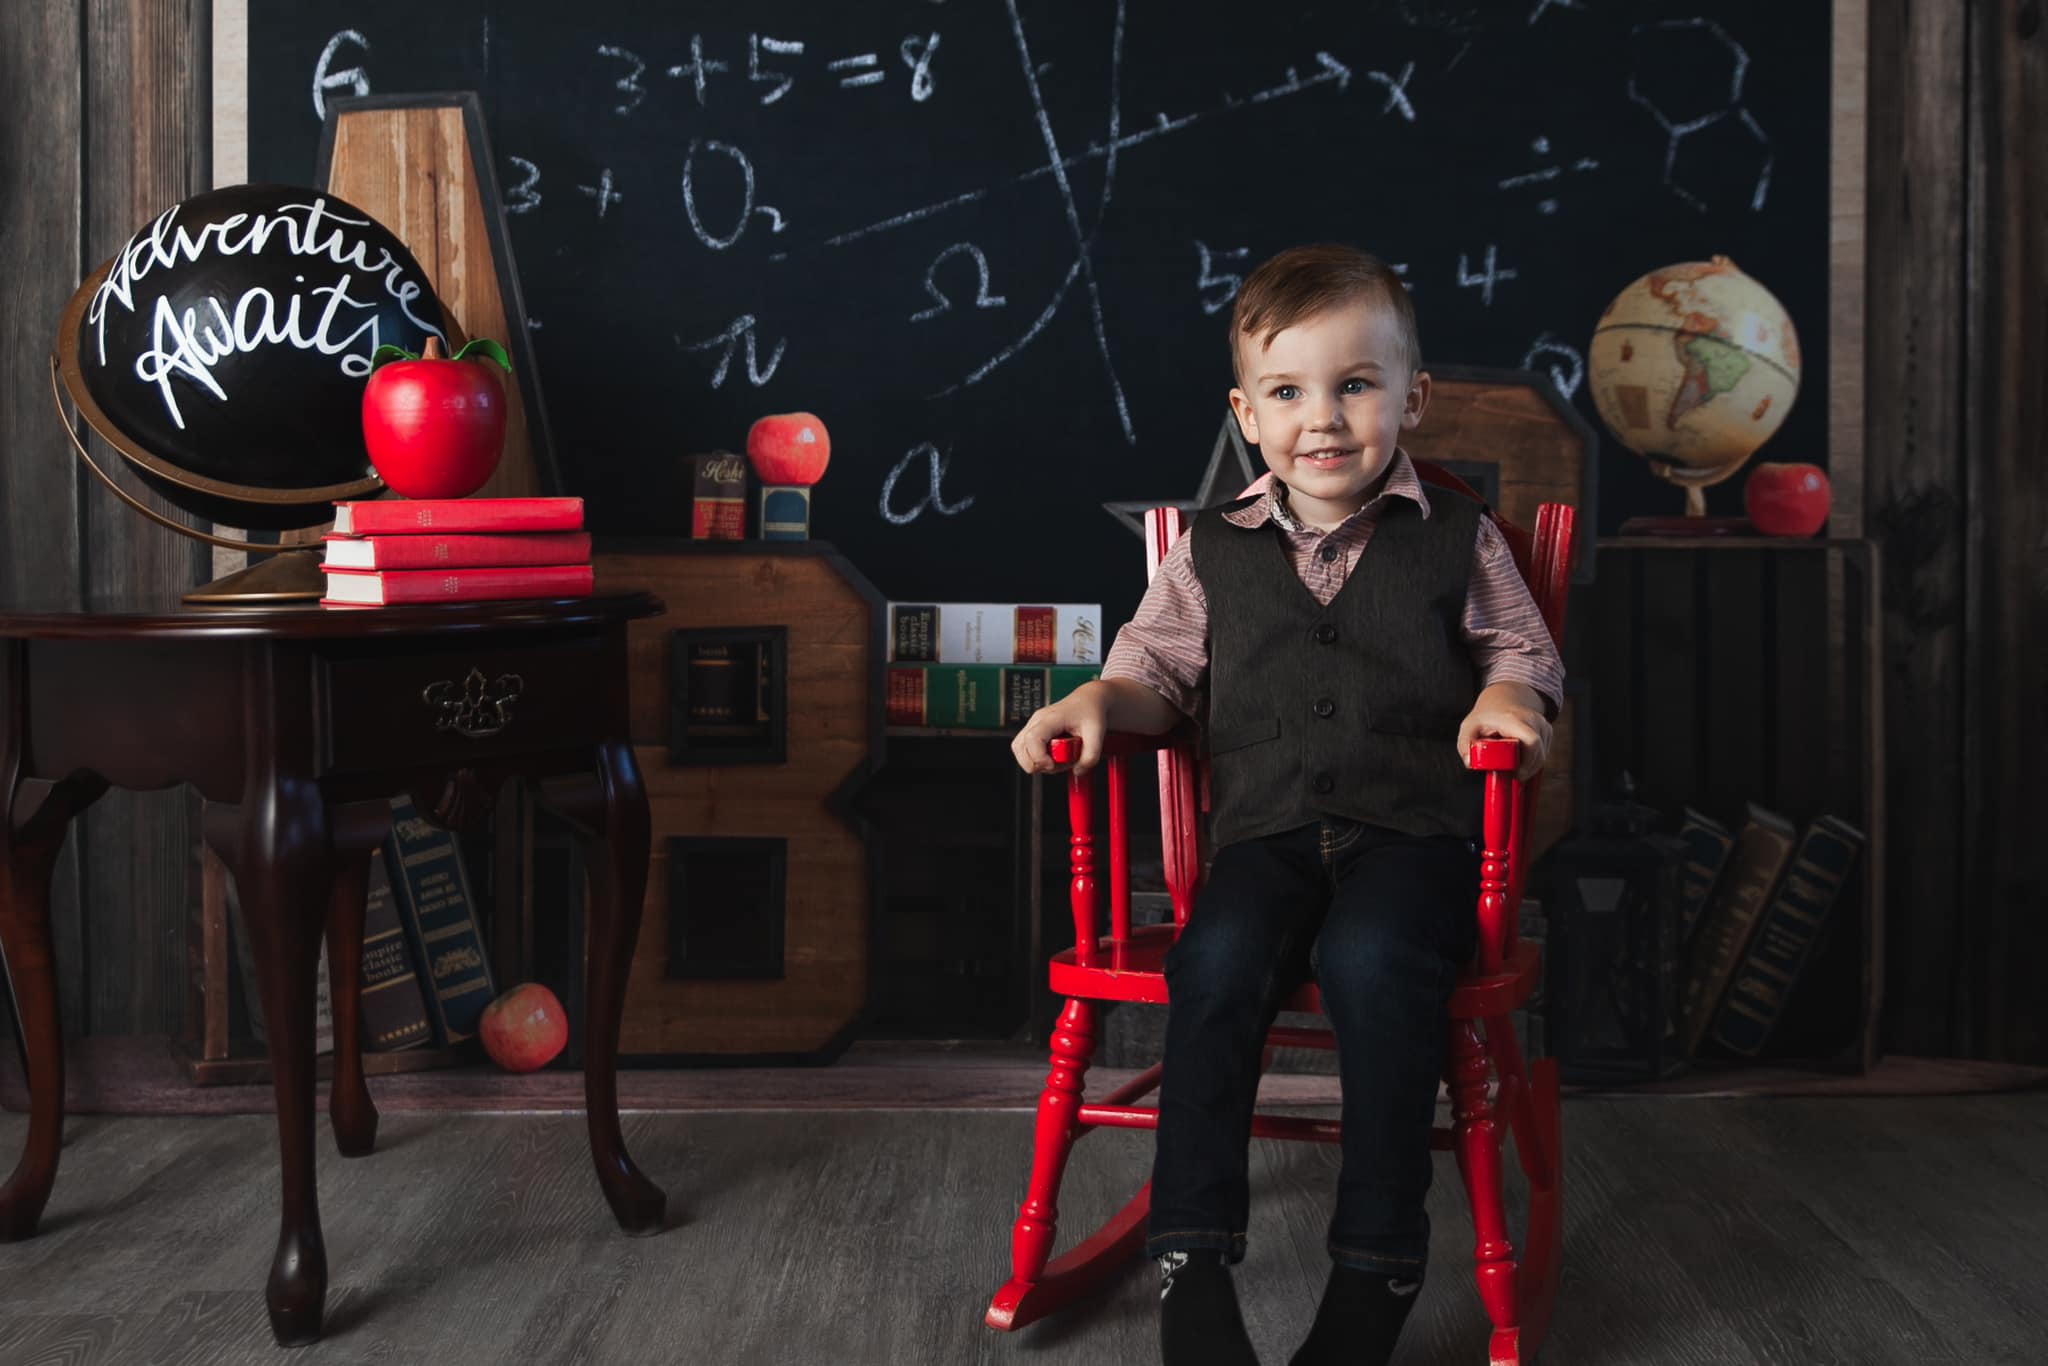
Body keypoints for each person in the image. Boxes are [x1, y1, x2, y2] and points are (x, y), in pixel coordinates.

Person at [1009, 243, 1563, 1366]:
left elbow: (1520, 653)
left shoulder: (1458, 538)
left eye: (1355, 385)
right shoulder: (1213, 551)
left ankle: (1376, 1263)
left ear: (1412, 398)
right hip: (1260, 841)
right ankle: (1191, 1257)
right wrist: (1092, 704)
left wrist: (1503, 704)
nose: (1322, 417)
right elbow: (1150, 676)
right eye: (1287, 391)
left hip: (1411, 838)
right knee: (1211, 969)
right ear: (1245, 414)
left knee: (1372, 965)